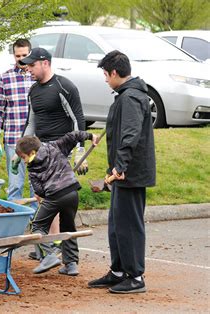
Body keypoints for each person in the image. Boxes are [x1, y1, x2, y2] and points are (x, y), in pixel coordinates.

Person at [88, 50, 156, 294]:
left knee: (129, 224)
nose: (106, 79)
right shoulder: (126, 95)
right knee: (117, 223)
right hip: (122, 172)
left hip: (130, 173)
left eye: (106, 75)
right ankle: (118, 271)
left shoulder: (130, 98)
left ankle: (135, 277)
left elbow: (130, 134)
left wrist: (121, 166)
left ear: (115, 73)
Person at [16, 47, 88, 261]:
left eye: (31, 65)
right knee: (42, 198)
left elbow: (78, 120)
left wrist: (80, 151)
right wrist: (19, 150)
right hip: (40, 153)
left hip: (60, 151)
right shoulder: (33, 91)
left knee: (56, 198)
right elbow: (31, 123)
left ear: (44, 63)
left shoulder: (63, 87)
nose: (28, 69)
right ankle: (48, 244)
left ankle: (55, 244)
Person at [15, 131, 99, 275]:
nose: (23, 161)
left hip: (54, 196)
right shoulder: (55, 146)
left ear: (32, 152)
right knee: (68, 227)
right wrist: (91, 136)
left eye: (23, 157)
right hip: (72, 192)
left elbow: (39, 190)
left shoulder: (32, 167)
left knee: (37, 226)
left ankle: (49, 256)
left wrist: (41, 195)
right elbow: (73, 136)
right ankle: (71, 264)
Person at [0, 38, 35, 203]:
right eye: (18, 56)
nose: (21, 59)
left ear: (30, 53)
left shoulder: (37, 77)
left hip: (36, 141)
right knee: (15, 184)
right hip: (13, 141)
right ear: (13, 56)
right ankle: (15, 219)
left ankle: (36, 220)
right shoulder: (4, 78)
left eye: (25, 54)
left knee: (36, 185)